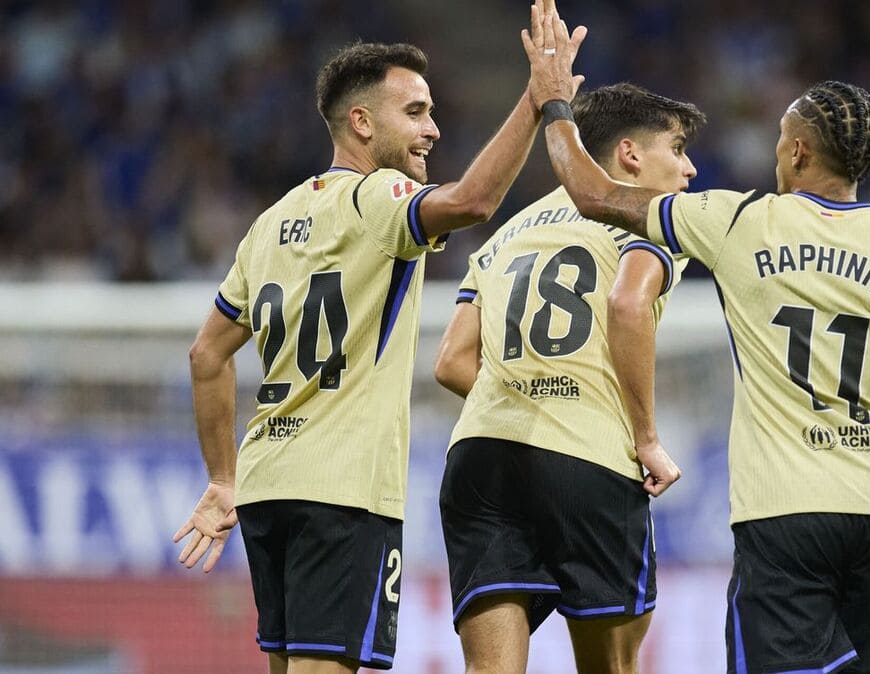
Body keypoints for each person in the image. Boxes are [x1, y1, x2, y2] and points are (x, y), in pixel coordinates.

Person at [525, 35, 870, 674]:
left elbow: (593, 195)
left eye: (781, 137)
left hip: (785, 515)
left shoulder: (740, 221)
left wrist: (557, 103)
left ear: (799, 150)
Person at [171, 5, 587, 672]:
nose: (433, 128)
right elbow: (474, 202)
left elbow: (206, 353)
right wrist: (540, 101)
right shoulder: (378, 197)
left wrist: (224, 479)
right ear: (361, 123)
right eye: (415, 112)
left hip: (267, 487)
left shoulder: (272, 221)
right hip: (343, 491)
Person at [433, 81, 704, 674]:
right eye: (677, 148)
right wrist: (647, 439)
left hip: (481, 456)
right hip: (589, 460)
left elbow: (451, 360)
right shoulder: (652, 218)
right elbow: (627, 306)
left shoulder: (509, 230)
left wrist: (526, 395)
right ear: (631, 155)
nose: (688, 167)